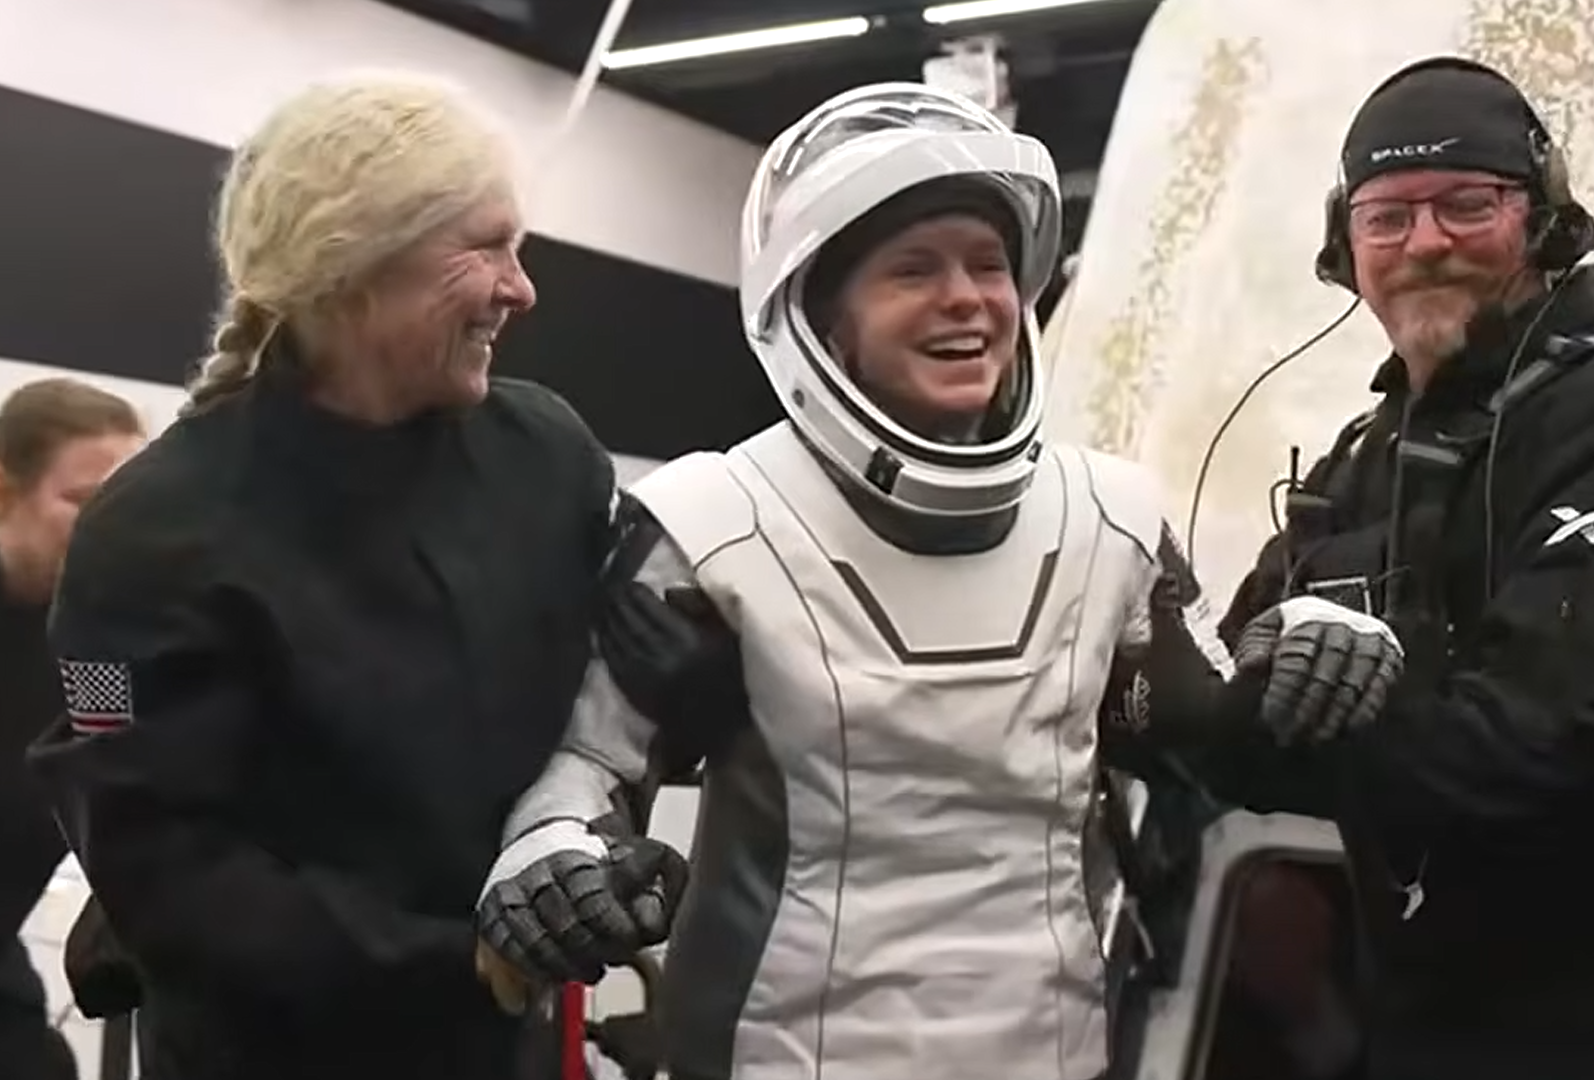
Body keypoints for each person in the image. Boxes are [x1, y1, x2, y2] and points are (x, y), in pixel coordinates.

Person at [472, 82, 1408, 1080]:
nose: (966, 297)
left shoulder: (1111, 519)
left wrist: (1319, 643)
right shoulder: (712, 523)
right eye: (913, 269)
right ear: (821, 320)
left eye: (989, 265)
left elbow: (1217, 737)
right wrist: (551, 854)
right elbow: (592, 768)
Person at [25, 72, 683, 1080]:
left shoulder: (545, 455)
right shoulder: (149, 532)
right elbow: (150, 852)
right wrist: (465, 961)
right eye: (486, 246)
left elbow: (604, 711)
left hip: (510, 1048)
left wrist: (589, 840)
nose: (523, 287)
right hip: (274, 1050)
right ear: (353, 265)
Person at [1216, 57, 1594, 1080]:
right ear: (1348, 248)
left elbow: (1536, 738)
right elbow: (1235, 725)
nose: (1425, 243)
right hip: (1445, 1040)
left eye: (1468, 203)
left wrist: (1300, 724)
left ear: (1539, 221)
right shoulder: (1363, 462)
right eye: (1388, 216)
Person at [0, 379, 145, 1080]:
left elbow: (116, 765)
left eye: (130, 512)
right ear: (4, 495)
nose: (112, 537)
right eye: (85, 506)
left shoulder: (92, 653)